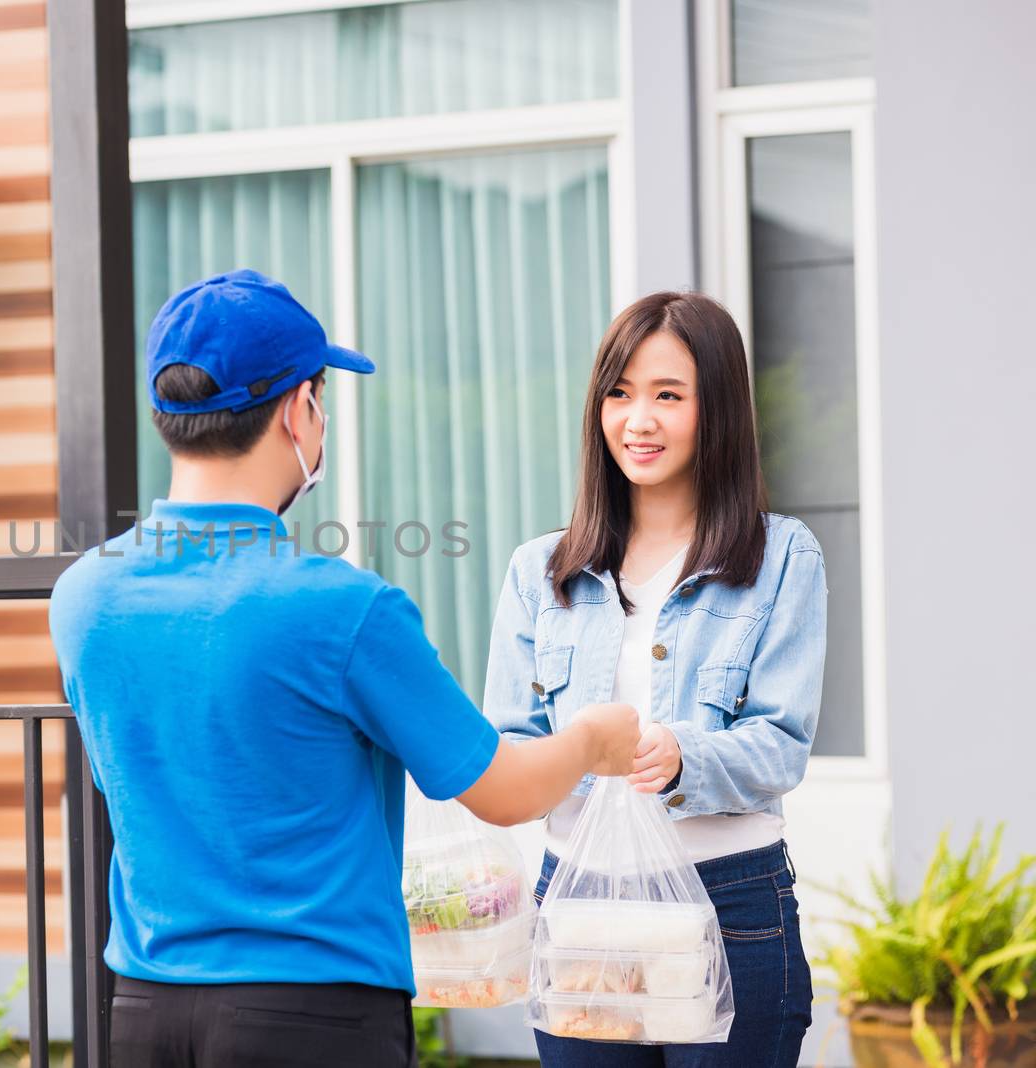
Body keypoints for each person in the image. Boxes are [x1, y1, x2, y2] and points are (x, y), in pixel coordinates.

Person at [49, 269, 640, 1068]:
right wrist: (595, 740)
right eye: (320, 399)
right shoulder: (344, 607)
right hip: (312, 1019)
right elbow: (503, 789)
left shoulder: (83, 596)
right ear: (300, 410)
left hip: (144, 1012)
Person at [485, 291, 824, 1066]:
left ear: (719, 410)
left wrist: (681, 758)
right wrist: (571, 755)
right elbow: (510, 743)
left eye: (668, 395)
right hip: (578, 904)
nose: (638, 421)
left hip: (729, 903)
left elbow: (781, 745)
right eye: (619, 393)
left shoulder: (780, 558)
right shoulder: (540, 571)